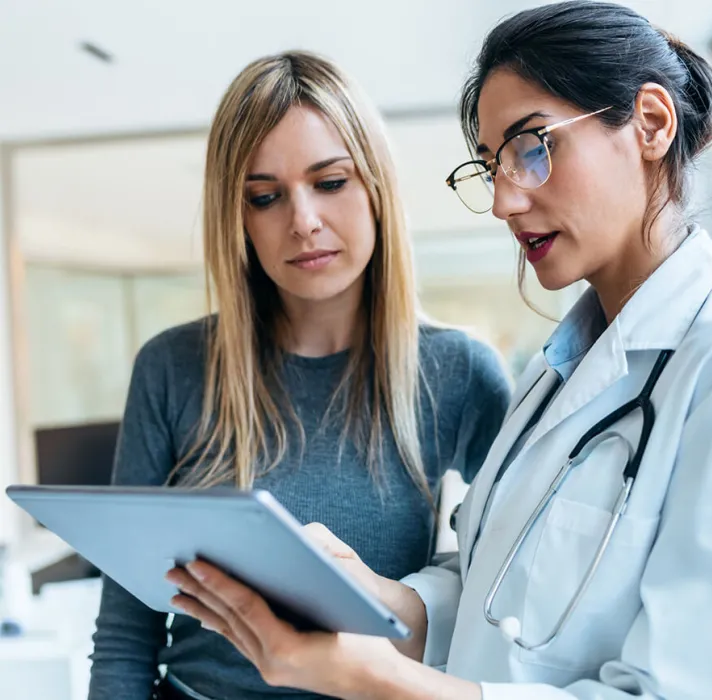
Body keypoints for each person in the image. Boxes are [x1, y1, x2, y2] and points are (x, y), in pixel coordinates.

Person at [165, 3, 712, 699]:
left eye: (533, 147)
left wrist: (370, 677)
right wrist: (378, 597)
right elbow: (490, 594)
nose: (503, 200)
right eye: (493, 164)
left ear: (650, 124)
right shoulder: (559, 375)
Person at [87, 50, 511, 700]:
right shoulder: (173, 368)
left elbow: (507, 591)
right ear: (240, 217)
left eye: (331, 182)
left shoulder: (459, 372)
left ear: (375, 187)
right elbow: (125, 634)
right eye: (265, 196)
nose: (303, 220)